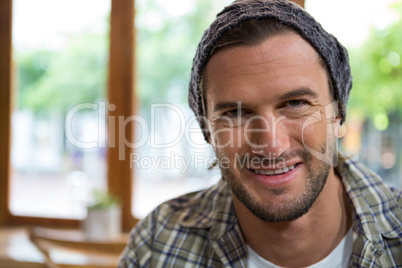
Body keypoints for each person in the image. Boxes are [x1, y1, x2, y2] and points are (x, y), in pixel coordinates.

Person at [119, 0, 402, 267]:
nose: (271, 145)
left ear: (338, 113)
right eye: (235, 113)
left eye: (295, 104)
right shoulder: (156, 245)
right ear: (207, 129)